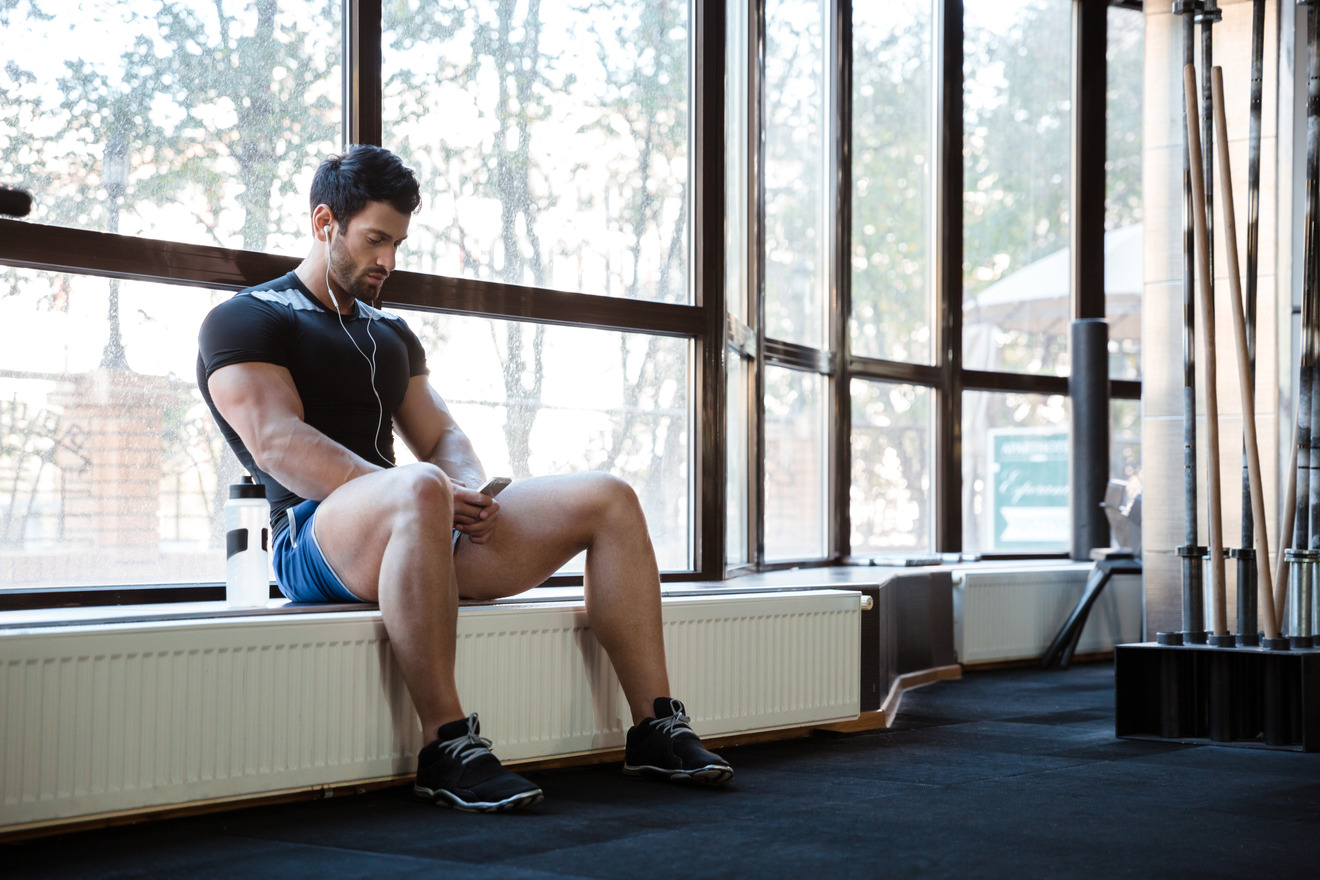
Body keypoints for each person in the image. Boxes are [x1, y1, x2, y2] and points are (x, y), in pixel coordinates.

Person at [196, 145, 732, 812]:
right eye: (375, 240)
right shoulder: (249, 317)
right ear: (324, 222)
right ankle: (446, 744)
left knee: (610, 497)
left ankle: (656, 726)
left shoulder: (389, 332)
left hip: (414, 524)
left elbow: (443, 435)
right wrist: (421, 494)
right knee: (416, 485)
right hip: (312, 540)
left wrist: (464, 492)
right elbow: (277, 444)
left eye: (398, 243)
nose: (388, 261)